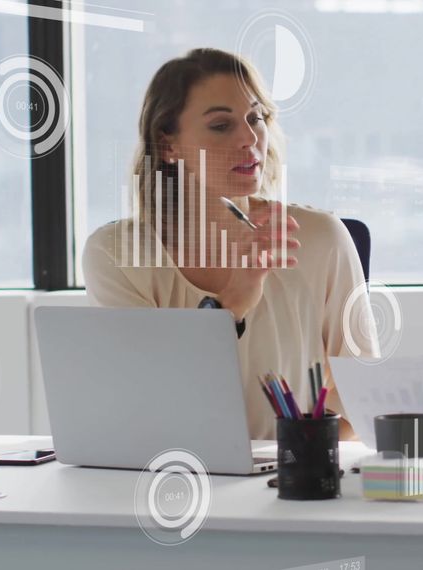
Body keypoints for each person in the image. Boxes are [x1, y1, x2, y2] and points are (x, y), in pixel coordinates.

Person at [83, 48, 376, 440]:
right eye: (222, 125)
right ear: (168, 144)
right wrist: (231, 304)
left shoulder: (321, 238)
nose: (250, 138)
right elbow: (148, 403)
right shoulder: (115, 254)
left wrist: (299, 458)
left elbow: (366, 401)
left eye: (256, 118)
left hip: (292, 484)